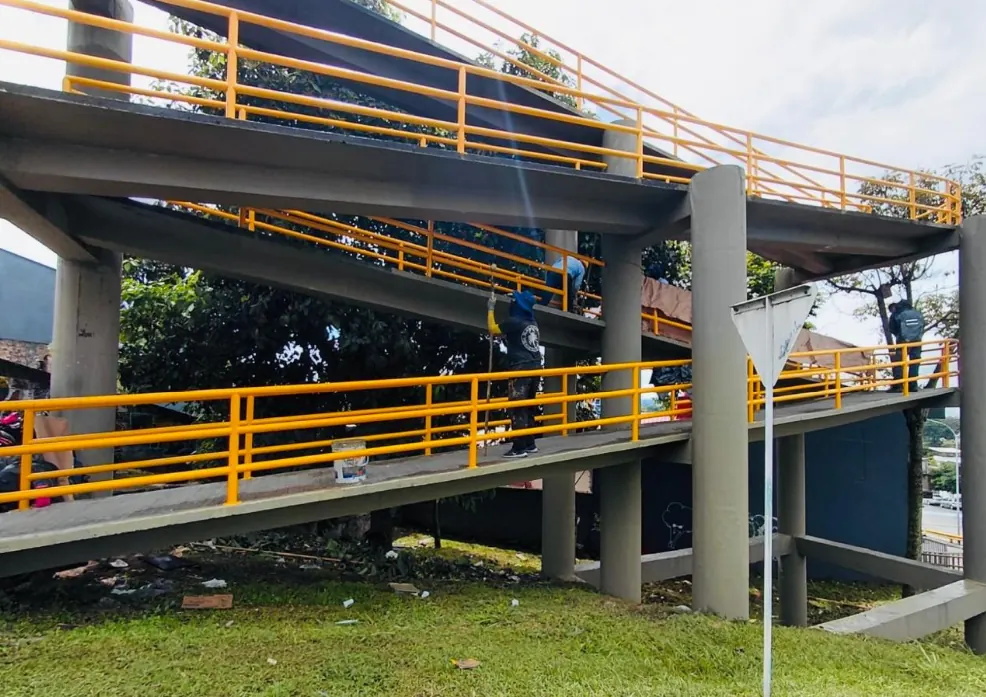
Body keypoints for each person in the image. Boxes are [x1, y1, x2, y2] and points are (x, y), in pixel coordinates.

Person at [487, 290, 543, 458]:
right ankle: (530, 444)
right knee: (529, 407)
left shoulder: (514, 321)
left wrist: (491, 308)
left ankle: (519, 448)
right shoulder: (532, 322)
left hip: (520, 369)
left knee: (518, 408)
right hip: (535, 368)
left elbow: (492, 329)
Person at [888, 299, 925, 392]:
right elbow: (922, 325)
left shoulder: (897, 314)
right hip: (917, 341)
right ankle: (913, 385)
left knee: (899, 362)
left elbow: (891, 328)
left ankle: (899, 386)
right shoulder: (917, 313)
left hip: (903, 341)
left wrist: (899, 335)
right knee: (914, 362)